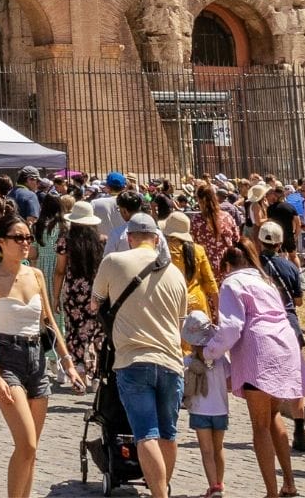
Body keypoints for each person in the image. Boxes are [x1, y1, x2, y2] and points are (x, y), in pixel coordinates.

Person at [0, 212, 83, 498]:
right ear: (1, 242)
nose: (25, 243)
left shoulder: (35, 275)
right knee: (27, 445)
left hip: (37, 358)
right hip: (7, 358)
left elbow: (49, 322)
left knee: (31, 448)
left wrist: (68, 364)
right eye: (18, 238)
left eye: (28, 237)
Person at [91, 212, 188, 498]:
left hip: (133, 359)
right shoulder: (175, 273)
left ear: (130, 238)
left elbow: (96, 303)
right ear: (157, 239)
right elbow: (179, 322)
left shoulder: (114, 261)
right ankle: (163, 490)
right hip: (171, 360)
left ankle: (160, 495)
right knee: (168, 434)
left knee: (146, 433)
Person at [203, 239, 305, 498]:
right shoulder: (265, 280)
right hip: (285, 345)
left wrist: (210, 351)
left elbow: (231, 327)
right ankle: (289, 483)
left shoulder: (232, 282)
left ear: (227, 264)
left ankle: (272, 492)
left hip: (259, 350)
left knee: (260, 425)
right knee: (274, 416)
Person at [255, 220, 305, 453]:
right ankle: (299, 428)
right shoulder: (290, 267)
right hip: (289, 323)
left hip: (264, 325)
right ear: (279, 243)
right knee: (294, 376)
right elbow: (298, 300)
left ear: (260, 242)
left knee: (265, 378)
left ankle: (269, 424)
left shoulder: (254, 267)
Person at [52, 200, 105, 382]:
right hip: (96, 292)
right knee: (96, 331)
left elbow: (60, 271)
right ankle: (97, 374)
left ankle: (80, 373)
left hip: (73, 293)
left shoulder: (65, 241)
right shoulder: (101, 241)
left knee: (75, 332)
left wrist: (55, 296)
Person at [182, 311, 230, 498]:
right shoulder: (220, 359)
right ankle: (220, 483)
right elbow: (230, 382)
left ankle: (213, 486)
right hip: (220, 409)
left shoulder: (188, 362)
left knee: (206, 450)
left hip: (200, 411)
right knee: (218, 448)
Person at [29, 191, 67, 379]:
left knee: (45, 317)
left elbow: (34, 253)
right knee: (60, 316)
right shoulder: (64, 226)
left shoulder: (37, 226)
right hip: (60, 271)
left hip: (42, 272)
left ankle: (51, 356)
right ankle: (63, 358)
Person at [163, 210, 218, 324]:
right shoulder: (198, 250)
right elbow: (210, 282)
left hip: (173, 303)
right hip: (198, 304)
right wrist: (218, 310)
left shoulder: (163, 252)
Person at [190, 184, 238, 278]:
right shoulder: (227, 217)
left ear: (199, 200)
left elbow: (192, 244)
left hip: (206, 268)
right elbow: (236, 238)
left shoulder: (196, 221)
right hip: (227, 267)